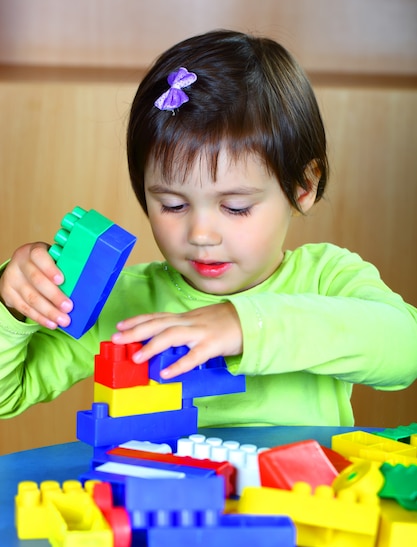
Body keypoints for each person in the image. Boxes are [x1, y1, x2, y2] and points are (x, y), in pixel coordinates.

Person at [0, 29, 416, 427]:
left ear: (303, 187)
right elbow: (8, 395)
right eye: (173, 204)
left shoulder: (326, 277)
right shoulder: (122, 304)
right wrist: (13, 309)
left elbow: (405, 349)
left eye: (235, 207)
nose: (201, 234)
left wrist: (242, 325)